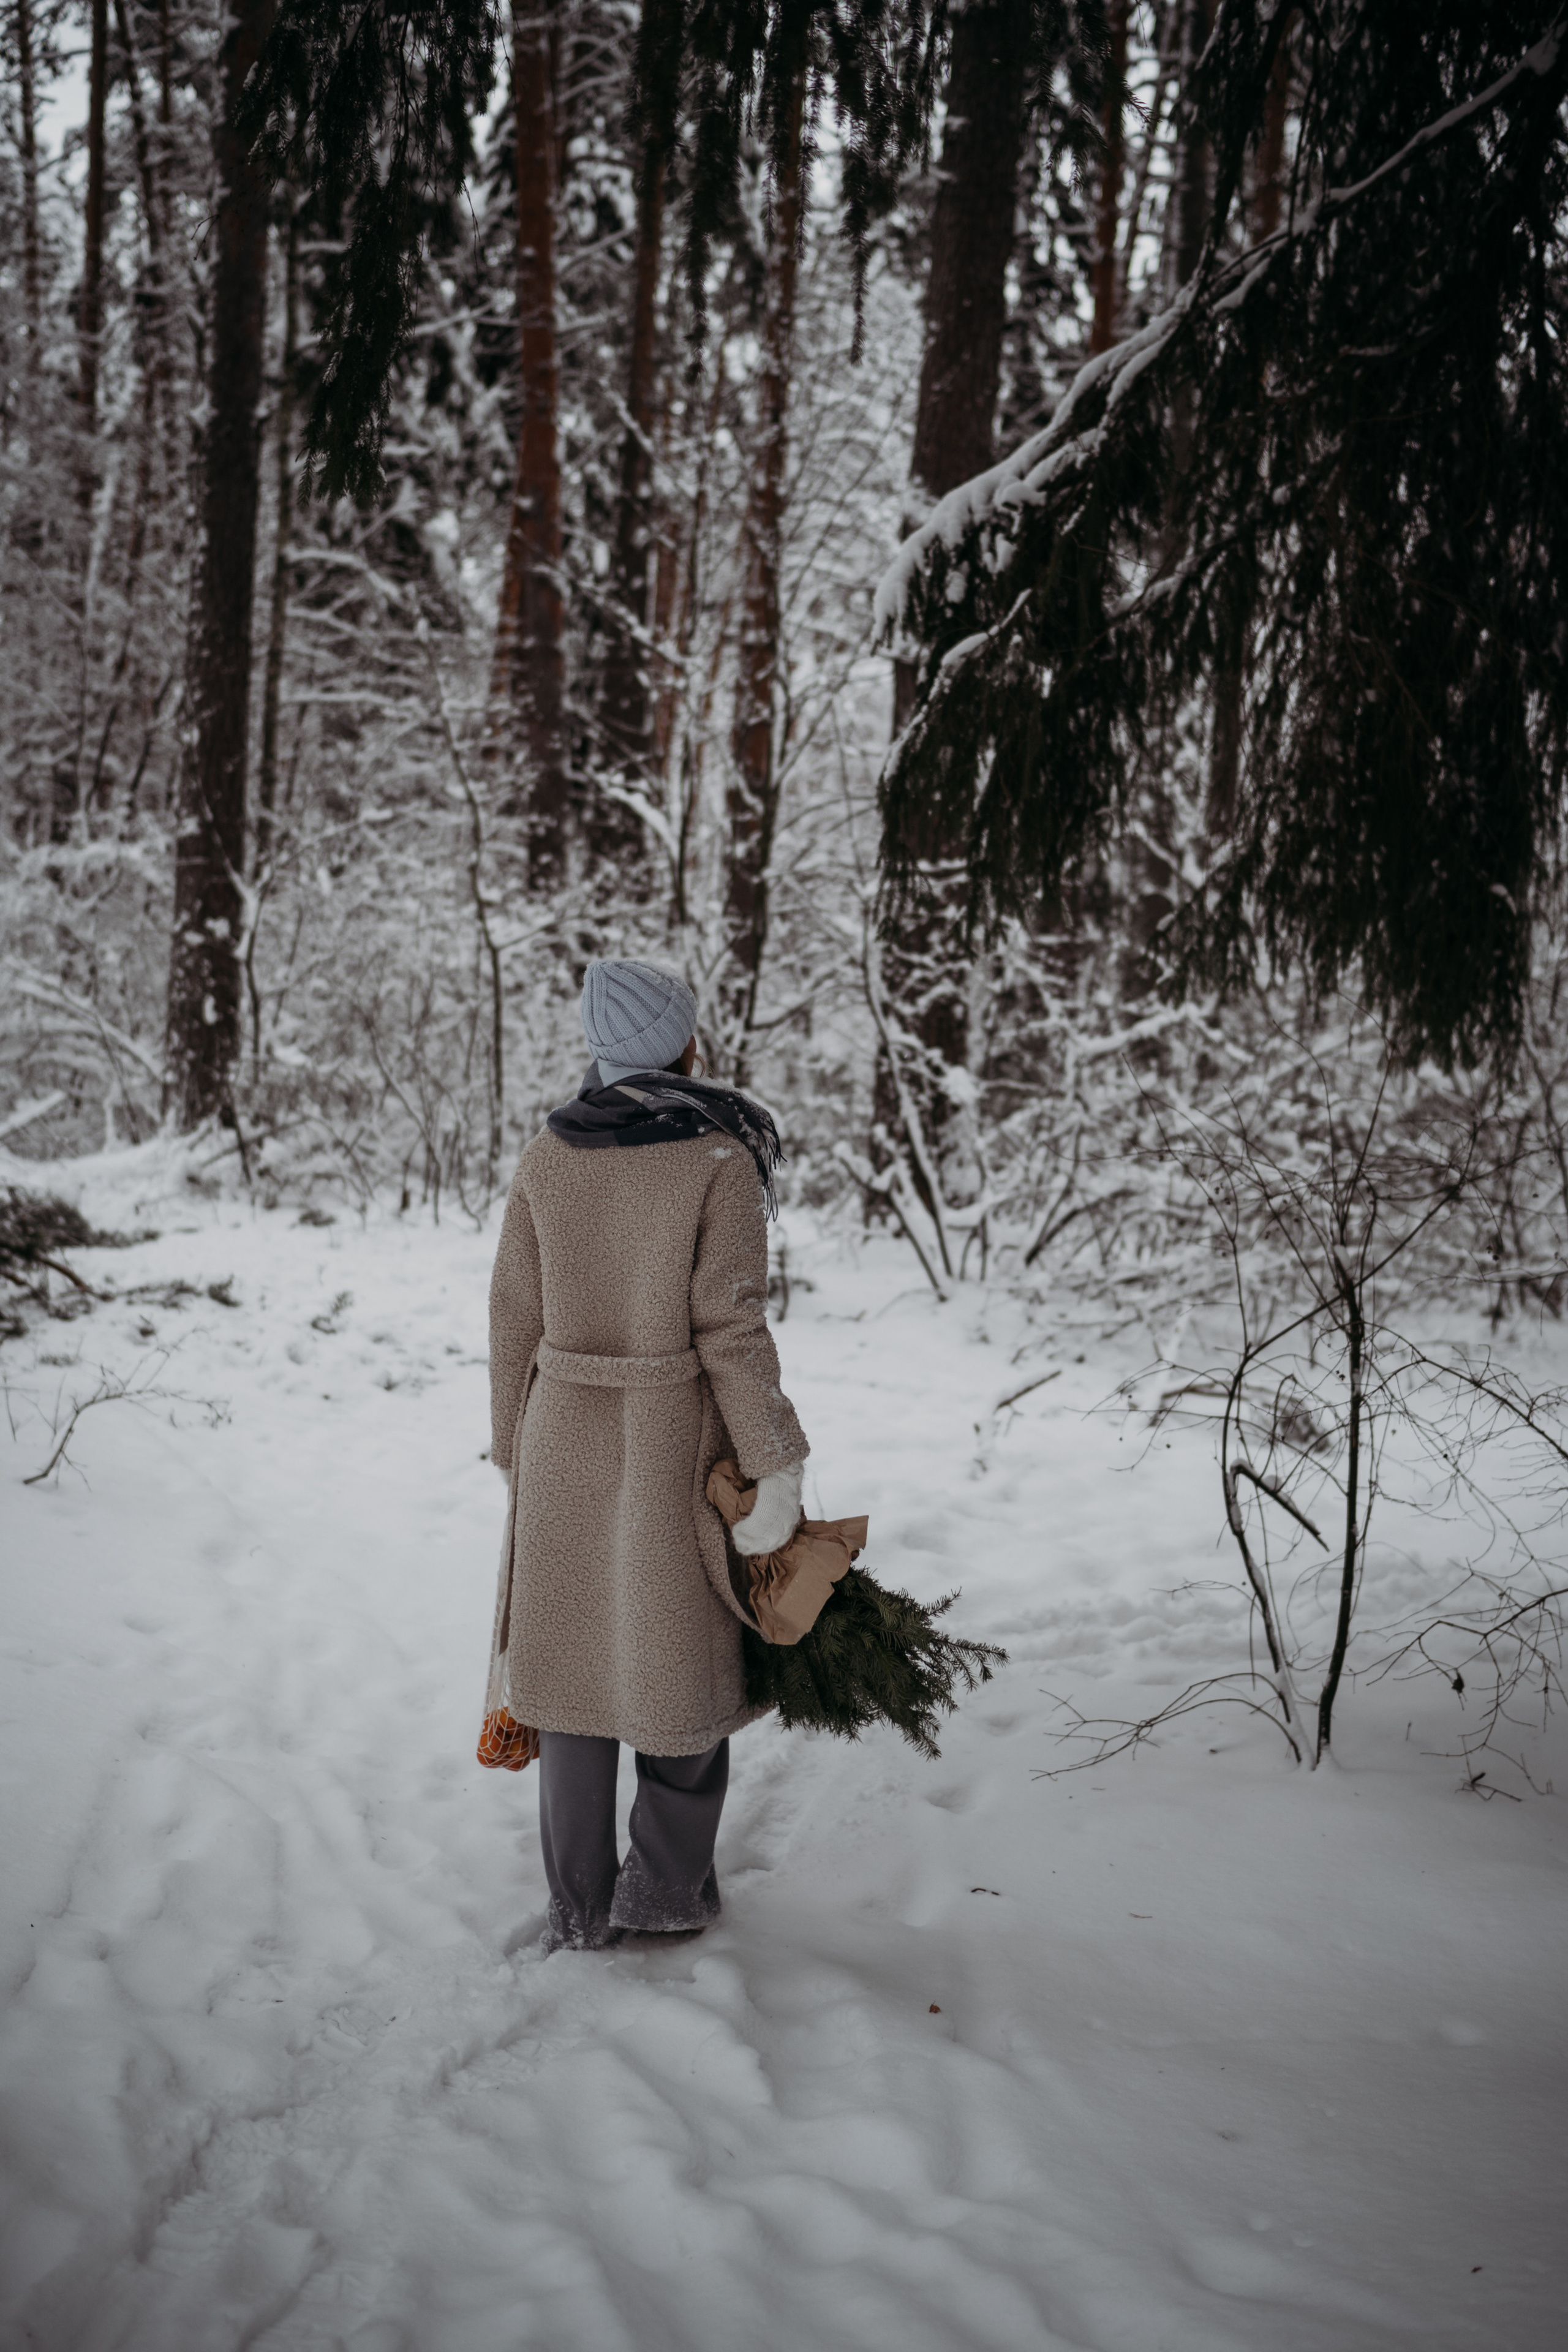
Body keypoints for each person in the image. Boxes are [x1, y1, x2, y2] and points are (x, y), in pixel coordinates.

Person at [486, 957, 810, 1951]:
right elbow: (732, 1328)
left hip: (561, 1436)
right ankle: (666, 1891)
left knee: (572, 1673)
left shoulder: (548, 1154)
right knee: (681, 1672)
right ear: (680, 1042)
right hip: (671, 1439)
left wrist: (512, 1447)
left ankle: (579, 1905)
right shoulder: (716, 1157)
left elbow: (512, 1316)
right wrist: (773, 1463)